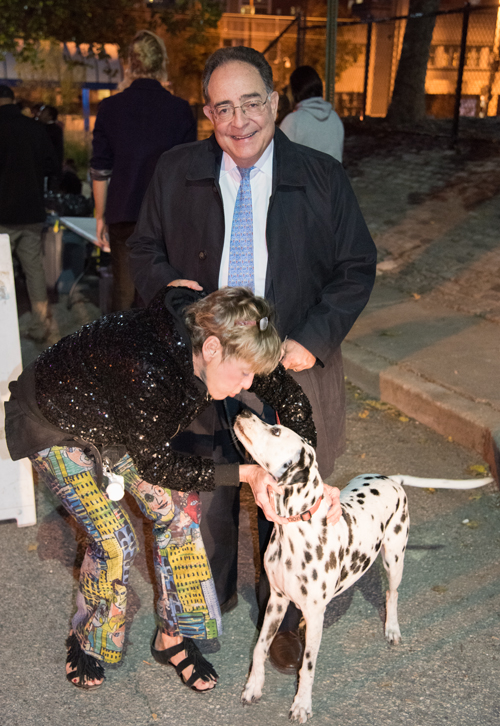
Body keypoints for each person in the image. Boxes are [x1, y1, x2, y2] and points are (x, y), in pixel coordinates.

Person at [127, 46, 377, 673]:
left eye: (251, 103)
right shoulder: (175, 169)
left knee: (286, 501)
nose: (238, 121)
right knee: (208, 491)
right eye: (222, 108)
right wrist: (185, 316)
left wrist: (313, 337)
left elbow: (356, 269)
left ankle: (288, 617)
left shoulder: (322, 177)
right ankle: (205, 605)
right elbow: (144, 251)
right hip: (206, 365)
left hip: (288, 365)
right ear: (207, 112)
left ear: (274, 102)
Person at [5, 285, 333, 691]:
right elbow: (159, 464)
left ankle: (172, 636)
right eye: (243, 374)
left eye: (253, 374)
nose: (247, 385)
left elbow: (287, 395)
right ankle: (88, 640)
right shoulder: (150, 369)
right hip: (55, 421)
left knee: (179, 514)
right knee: (114, 541)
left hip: (122, 419)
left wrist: (310, 476)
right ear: (211, 348)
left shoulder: (227, 335)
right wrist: (246, 474)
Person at [90, 29, 197, 313]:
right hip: (167, 218)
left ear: (129, 63)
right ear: (162, 62)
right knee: (161, 295)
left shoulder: (110, 108)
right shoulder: (180, 110)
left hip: (123, 213)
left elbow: (100, 169)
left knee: (123, 297)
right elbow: (188, 173)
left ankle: (119, 356)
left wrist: (100, 216)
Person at [0, 84, 56, 342]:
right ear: (13, 100)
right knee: (34, 269)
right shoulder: (35, 128)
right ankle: (39, 324)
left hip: (3, 214)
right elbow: (51, 165)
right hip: (32, 210)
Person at [280, 65, 345, 163]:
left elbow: (281, 161)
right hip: (331, 178)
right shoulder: (334, 118)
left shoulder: (293, 121)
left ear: (295, 91)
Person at [39, 104, 64, 189]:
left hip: (48, 166)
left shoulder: (48, 129)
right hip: (52, 166)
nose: (40, 114)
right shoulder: (56, 129)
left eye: (43, 112)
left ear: (50, 116)